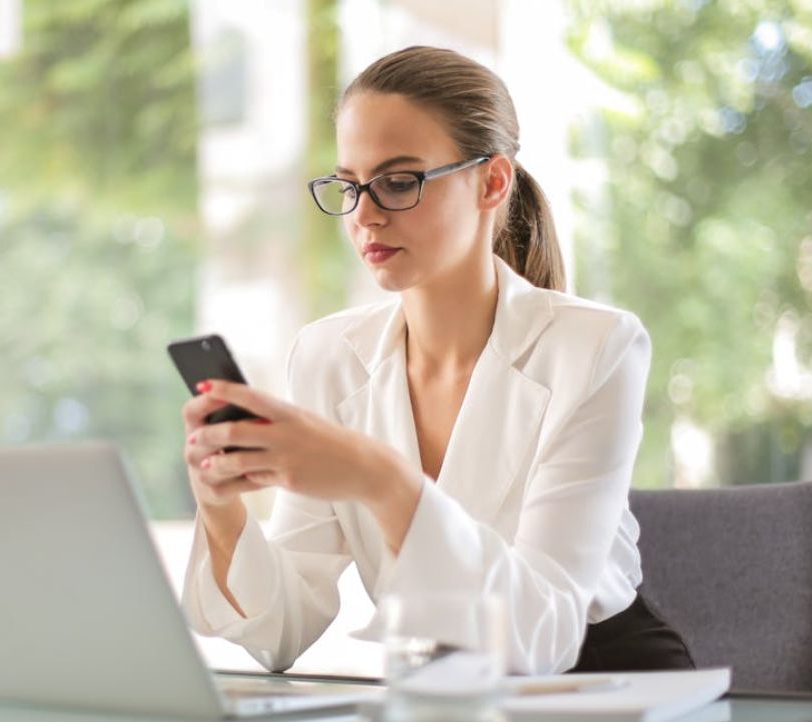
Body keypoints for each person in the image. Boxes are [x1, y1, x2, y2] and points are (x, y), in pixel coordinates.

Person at [178, 46, 694, 675]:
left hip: (605, 686)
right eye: (349, 185)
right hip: (440, 693)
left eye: (398, 181)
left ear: (492, 182)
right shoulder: (327, 357)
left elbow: (544, 635)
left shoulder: (596, 347)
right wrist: (221, 504)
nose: (364, 214)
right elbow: (282, 631)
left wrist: (381, 479)